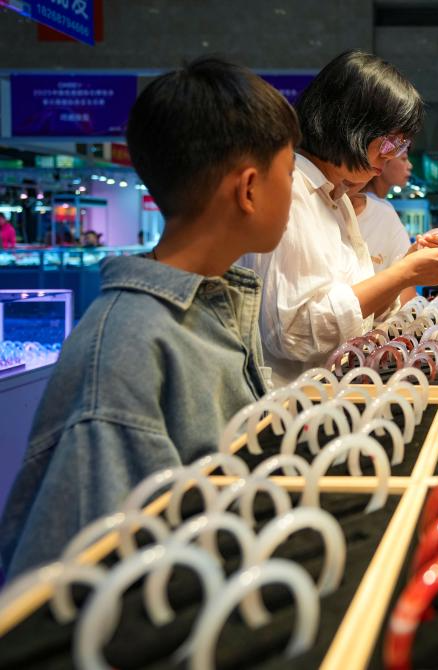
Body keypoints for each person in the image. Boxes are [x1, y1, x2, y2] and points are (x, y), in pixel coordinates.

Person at [0, 57, 299, 577]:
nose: (293, 193)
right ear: (249, 189)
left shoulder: (214, 302)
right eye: (290, 174)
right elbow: (81, 584)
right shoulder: (125, 350)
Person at [242, 52, 438, 385]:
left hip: (329, 392)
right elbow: (292, 333)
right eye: (389, 141)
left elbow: (358, 315)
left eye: (399, 145)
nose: (391, 155)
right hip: (290, 401)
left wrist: (405, 268)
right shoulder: (292, 190)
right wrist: (403, 274)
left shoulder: (336, 198)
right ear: (349, 124)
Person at [358, 154, 419, 305]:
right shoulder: (382, 210)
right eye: (403, 158)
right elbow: (406, 289)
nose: (410, 165)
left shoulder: (382, 209)